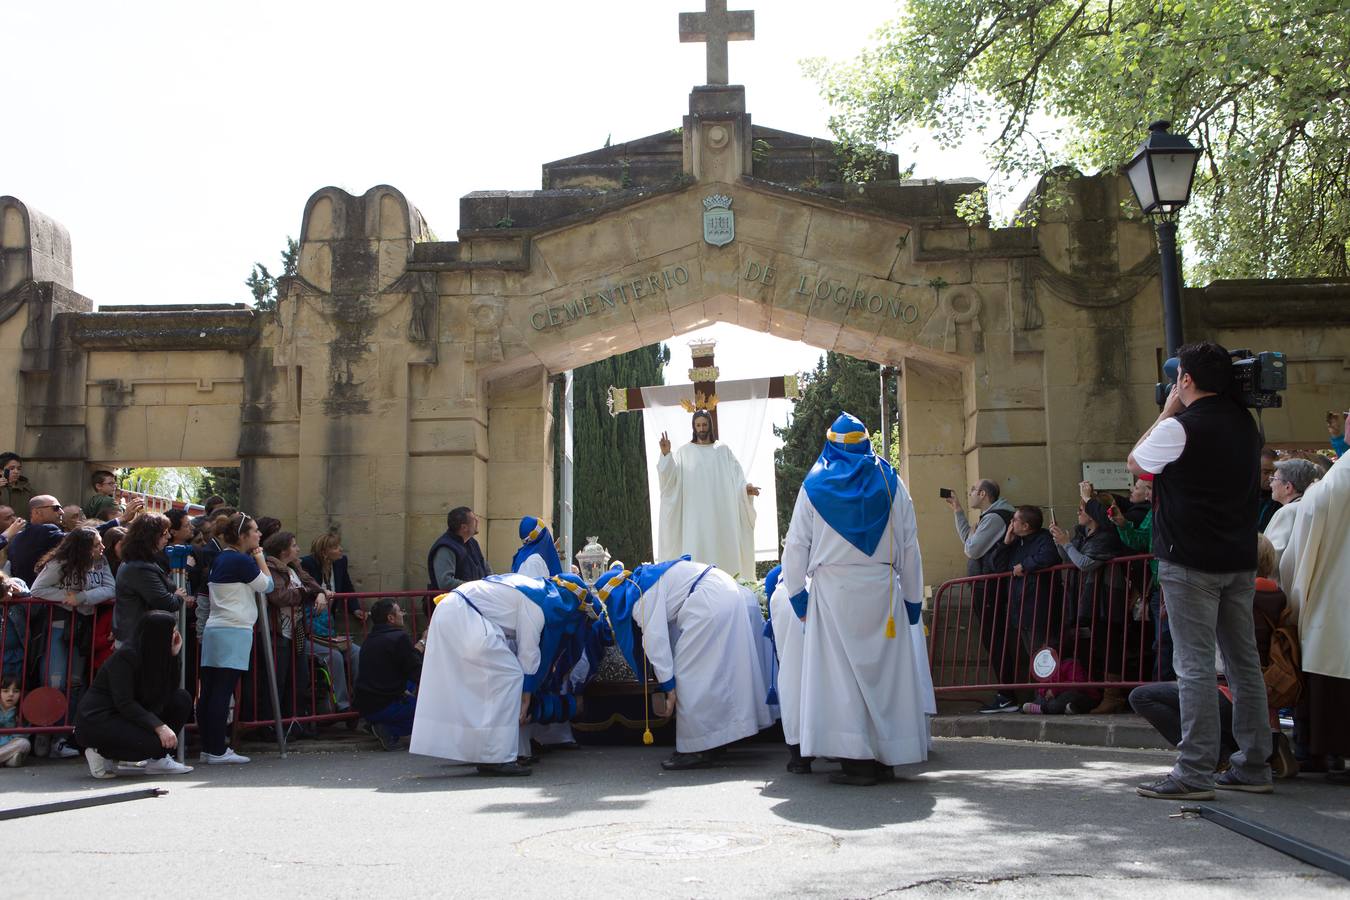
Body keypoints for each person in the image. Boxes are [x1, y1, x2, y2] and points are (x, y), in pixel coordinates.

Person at [1128, 340, 1270, 800]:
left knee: (1193, 667)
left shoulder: (1180, 427)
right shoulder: (1246, 426)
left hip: (1189, 560)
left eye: (1177, 379)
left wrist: (1167, 411)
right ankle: (1253, 764)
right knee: (1244, 664)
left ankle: (1194, 772)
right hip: (1238, 560)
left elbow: (1136, 463)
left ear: (1185, 380)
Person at [781, 412, 930, 786]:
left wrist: (798, 597)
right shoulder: (891, 480)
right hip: (883, 587)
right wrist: (913, 602)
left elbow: (796, 547)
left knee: (841, 680)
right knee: (886, 677)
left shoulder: (814, 484)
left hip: (832, 592)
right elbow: (910, 547)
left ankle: (857, 761)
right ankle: (889, 756)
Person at [1128, 535, 1298, 778]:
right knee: (1244, 669)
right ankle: (1261, 748)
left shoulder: (1231, 597)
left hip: (1226, 692)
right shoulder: (1275, 595)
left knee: (1143, 696)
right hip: (1265, 700)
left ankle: (1218, 756)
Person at [593, 561, 773, 771]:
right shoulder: (646, 581)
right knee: (718, 674)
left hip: (709, 601)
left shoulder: (639, 598)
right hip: (722, 592)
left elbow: (656, 641)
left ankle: (696, 748)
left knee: (688, 677)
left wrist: (668, 686)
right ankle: (718, 739)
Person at [410, 573, 591, 776]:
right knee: (510, 676)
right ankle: (497, 757)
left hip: (455, 612)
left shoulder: (534, 588)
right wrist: (527, 694)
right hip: (464, 615)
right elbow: (528, 652)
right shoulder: (539, 604)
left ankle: (487, 751)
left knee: (492, 684)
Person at [1279, 407, 1350, 778]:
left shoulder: (1342, 474)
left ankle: (1329, 753)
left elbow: (1316, 509)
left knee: (1332, 671)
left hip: (1338, 593)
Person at [28, 527, 117, 757]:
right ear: (83, 547)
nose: (102, 548)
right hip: (61, 623)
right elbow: (38, 589)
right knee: (54, 678)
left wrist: (82, 598)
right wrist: (66, 598)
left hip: (84, 624)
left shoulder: (101, 561)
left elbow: (110, 587)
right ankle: (45, 734)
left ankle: (64, 737)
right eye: (97, 544)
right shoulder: (61, 563)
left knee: (75, 682)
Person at [74, 610, 194, 778]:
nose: (175, 636)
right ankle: (100, 751)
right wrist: (160, 727)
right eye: (172, 632)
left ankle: (158, 760)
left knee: (181, 698)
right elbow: (124, 702)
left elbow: (170, 690)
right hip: (100, 719)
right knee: (151, 744)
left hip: (128, 715)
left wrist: (174, 656)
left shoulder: (157, 654)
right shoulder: (125, 657)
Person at [197, 513, 273, 766]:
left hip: (216, 628)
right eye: (254, 531)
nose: (258, 534)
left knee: (209, 690)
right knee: (221, 690)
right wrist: (260, 558)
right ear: (242, 536)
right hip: (234, 629)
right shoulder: (240, 560)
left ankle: (209, 747)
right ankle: (217, 749)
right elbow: (267, 585)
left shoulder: (221, 558)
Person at [1050, 492, 1131, 713]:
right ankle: (1094, 694)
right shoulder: (1083, 534)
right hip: (1087, 597)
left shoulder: (1107, 536)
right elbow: (1071, 560)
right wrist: (1061, 542)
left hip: (1106, 597)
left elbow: (1085, 563)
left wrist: (1067, 545)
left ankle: (1112, 695)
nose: (1078, 512)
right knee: (1094, 644)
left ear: (1094, 513)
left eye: (1082, 509)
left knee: (1108, 644)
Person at [656, 409, 760, 579]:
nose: (702, 428)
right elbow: (670, 483)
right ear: (693, 427)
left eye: (704, 425)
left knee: (725, 565)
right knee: (697, 562)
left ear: (710, 426)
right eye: (698, 425)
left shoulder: (723, 450)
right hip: (694, 521)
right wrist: (666, 454)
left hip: (721, 520)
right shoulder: (684, 453)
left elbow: (737, 478)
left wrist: (745, 489)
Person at [944, 479, 1016, 712]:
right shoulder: (990, 517)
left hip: (991, 588)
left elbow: (972, 550)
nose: (971, 492)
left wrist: (973, 538)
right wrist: (958, 512)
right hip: (986, 586)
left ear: (984, 494)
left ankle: (1007, 694)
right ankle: (1006, 693)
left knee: (996, 639)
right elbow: (970, 543)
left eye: (974, 490)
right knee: (993, 638)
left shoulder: (995, 518)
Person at [979, 505, 1059, 713]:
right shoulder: (1016, 542)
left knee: (1042, 652)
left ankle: (1045, 697)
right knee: (1029, 654)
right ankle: (1038, 695)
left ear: (1025, 525)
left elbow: (1049, 556)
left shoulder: (1043, 539)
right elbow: (997, 565)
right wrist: (1006, 543)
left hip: (1038, 605)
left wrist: (1025, 565)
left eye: (1014, 520)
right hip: (1018, 606)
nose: (1011, 524)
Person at [261, 531, 325, 723]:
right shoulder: (271, 568)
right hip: (279, 632)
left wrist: (320, 593)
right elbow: (279, 596)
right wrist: (306, 594)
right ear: (283, 550)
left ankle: (294, 722)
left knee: (299, 679)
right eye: (294, 545)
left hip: (296, 631)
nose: (298, 549)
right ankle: (273, 724)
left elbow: (311, 584)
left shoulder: (294, 567)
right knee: (278, 681)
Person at [355, 598, 423, 751]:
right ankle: (388, 729)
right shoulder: (399, 637)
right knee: (432, 712)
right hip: (383, 704)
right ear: (390, 618)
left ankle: (378, 724)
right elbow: (416, 671)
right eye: (400, 611)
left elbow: (402, 663)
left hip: (368, 704)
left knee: (411, 686)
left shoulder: (370, 639)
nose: (402, 614)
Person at [764, 564, 811, 774]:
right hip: (831, 588)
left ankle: (799, 755)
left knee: (792, 673)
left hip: (788, 596)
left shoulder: (776, 573)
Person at [113, 514, 186, 648]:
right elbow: (165, 601)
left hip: (140, 637)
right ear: (150, 536)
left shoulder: (140, 562)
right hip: (139, 640)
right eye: (164, 533)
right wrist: (178, 597)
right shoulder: (139, 567)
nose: (169, 537)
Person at [1263, 457, 1320, 575]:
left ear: (1288, 487)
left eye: (1274, 478)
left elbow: (1272, 559)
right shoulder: (1311, 508)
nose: (1271, 483)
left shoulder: (1288, 512)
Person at [301, 532, 363, 627]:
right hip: (310, 618)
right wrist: (320, 593)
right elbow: (304, 588)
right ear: (324, 552)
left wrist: (355, 608)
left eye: (339, 545)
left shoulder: (341, 562)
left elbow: (346, 586)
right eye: (335, 548)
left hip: (329, 617)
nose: (341, 549)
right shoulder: (307, 563)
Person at [427, 507, 492, 591]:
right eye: (474, 520)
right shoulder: (446, 548)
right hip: (454, 602)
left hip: (473, 600)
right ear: (464, 527)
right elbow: (446, 583)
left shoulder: (472, 543)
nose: (478, 521)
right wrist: (476, 587)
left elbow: (486, 569)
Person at [0, 674, 31, 767]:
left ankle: (7, 759)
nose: (11, 694)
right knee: (13, 760)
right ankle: (9, 760)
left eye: (16, 691)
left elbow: (22, 734)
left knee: (24, 744)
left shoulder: (24, 711)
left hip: (11, 745)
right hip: (7, 750)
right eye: (5, 691)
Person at [1257, 447, 1279, 532]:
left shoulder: (1281, 498)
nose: (1271, 477)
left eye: (1275, 472)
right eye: (1266, 472)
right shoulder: (1242, 496)